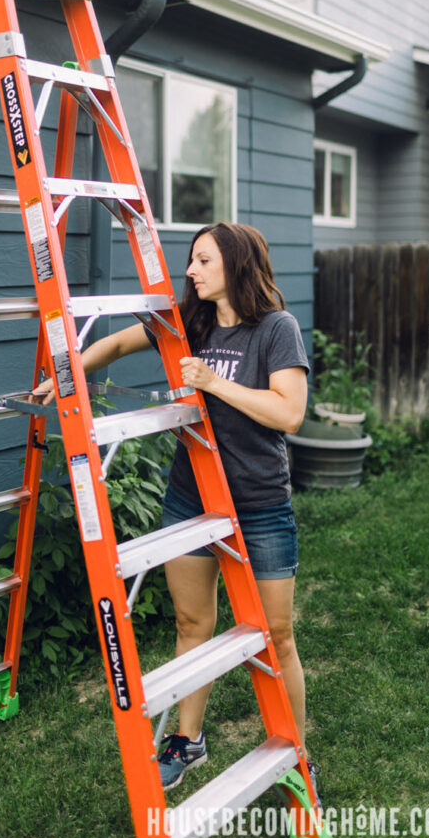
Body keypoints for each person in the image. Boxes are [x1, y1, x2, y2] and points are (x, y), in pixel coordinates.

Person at [31, 222, 319, 798]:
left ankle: (297, 753)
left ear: (236, 265)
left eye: (203, 260)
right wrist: (67, 376)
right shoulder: (192, 322)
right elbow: (114, 344)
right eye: (191, 260)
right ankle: (188, 741)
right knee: (191, 623)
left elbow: (289, 414)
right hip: (191, 497)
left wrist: (212, 382)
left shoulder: (276, 330)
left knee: (277, 636)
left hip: (259, 503)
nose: (191, 270)